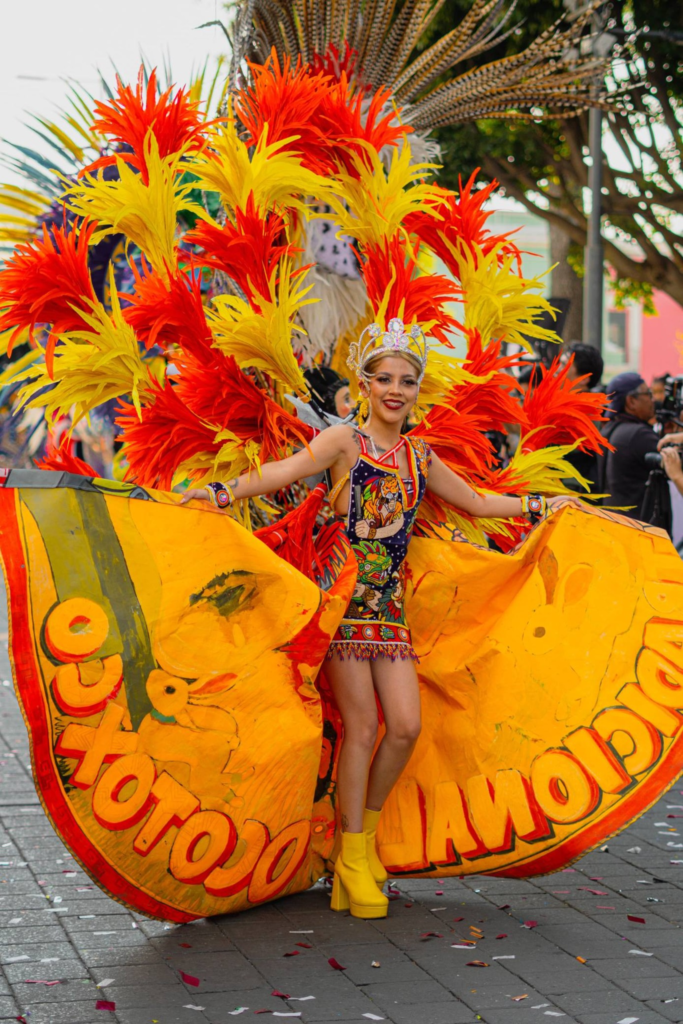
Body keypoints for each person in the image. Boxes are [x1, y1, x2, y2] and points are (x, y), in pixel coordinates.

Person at [182, 319, 576, 920]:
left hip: (389, 613)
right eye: (385, 379)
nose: (396, 390)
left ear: (419, 391)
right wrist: (220, 493)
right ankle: (353, 860)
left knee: (406, 727)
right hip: (342, 607)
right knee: (363, 727)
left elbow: (473, 500)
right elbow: (284, 472)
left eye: (408, 381)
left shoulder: (420, 454)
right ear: (364, 385)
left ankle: (358, 843)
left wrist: (540, 503)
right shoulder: (345, 443)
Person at [598, 372, 679, 526]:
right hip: (640, 532)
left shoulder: (609, 431)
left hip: (615, 525)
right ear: (631, 401)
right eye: (648, 394)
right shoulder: (638, 435)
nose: (653, 400)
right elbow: (676, 464)